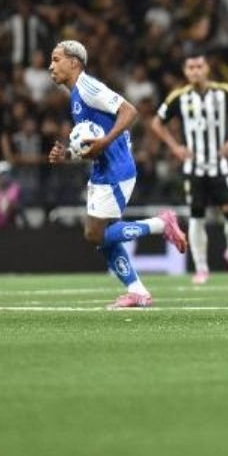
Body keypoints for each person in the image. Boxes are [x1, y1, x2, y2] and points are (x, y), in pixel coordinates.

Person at [47, 40, 188, 309]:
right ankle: (138, 292)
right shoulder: (76, 95)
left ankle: (161, 224)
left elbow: (129, 111)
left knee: (95, 234)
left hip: (116, 169)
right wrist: (68, 154)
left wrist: (105, 142)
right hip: (105, 168)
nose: (50, 66)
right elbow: (92, 141)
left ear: (74, 62)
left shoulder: (88, 87)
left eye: (56, 59)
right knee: (103, 237)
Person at [151, 51, 228, 285]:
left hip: (220, 166)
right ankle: (202, 267)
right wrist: (175, 147)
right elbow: (157, 122)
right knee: (197, 216)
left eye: (199, 67)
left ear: (206, 69)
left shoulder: (224, 92)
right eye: (190, 68)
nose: (195, 71)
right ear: (185, 72)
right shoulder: (179, 97)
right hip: (194, 167)